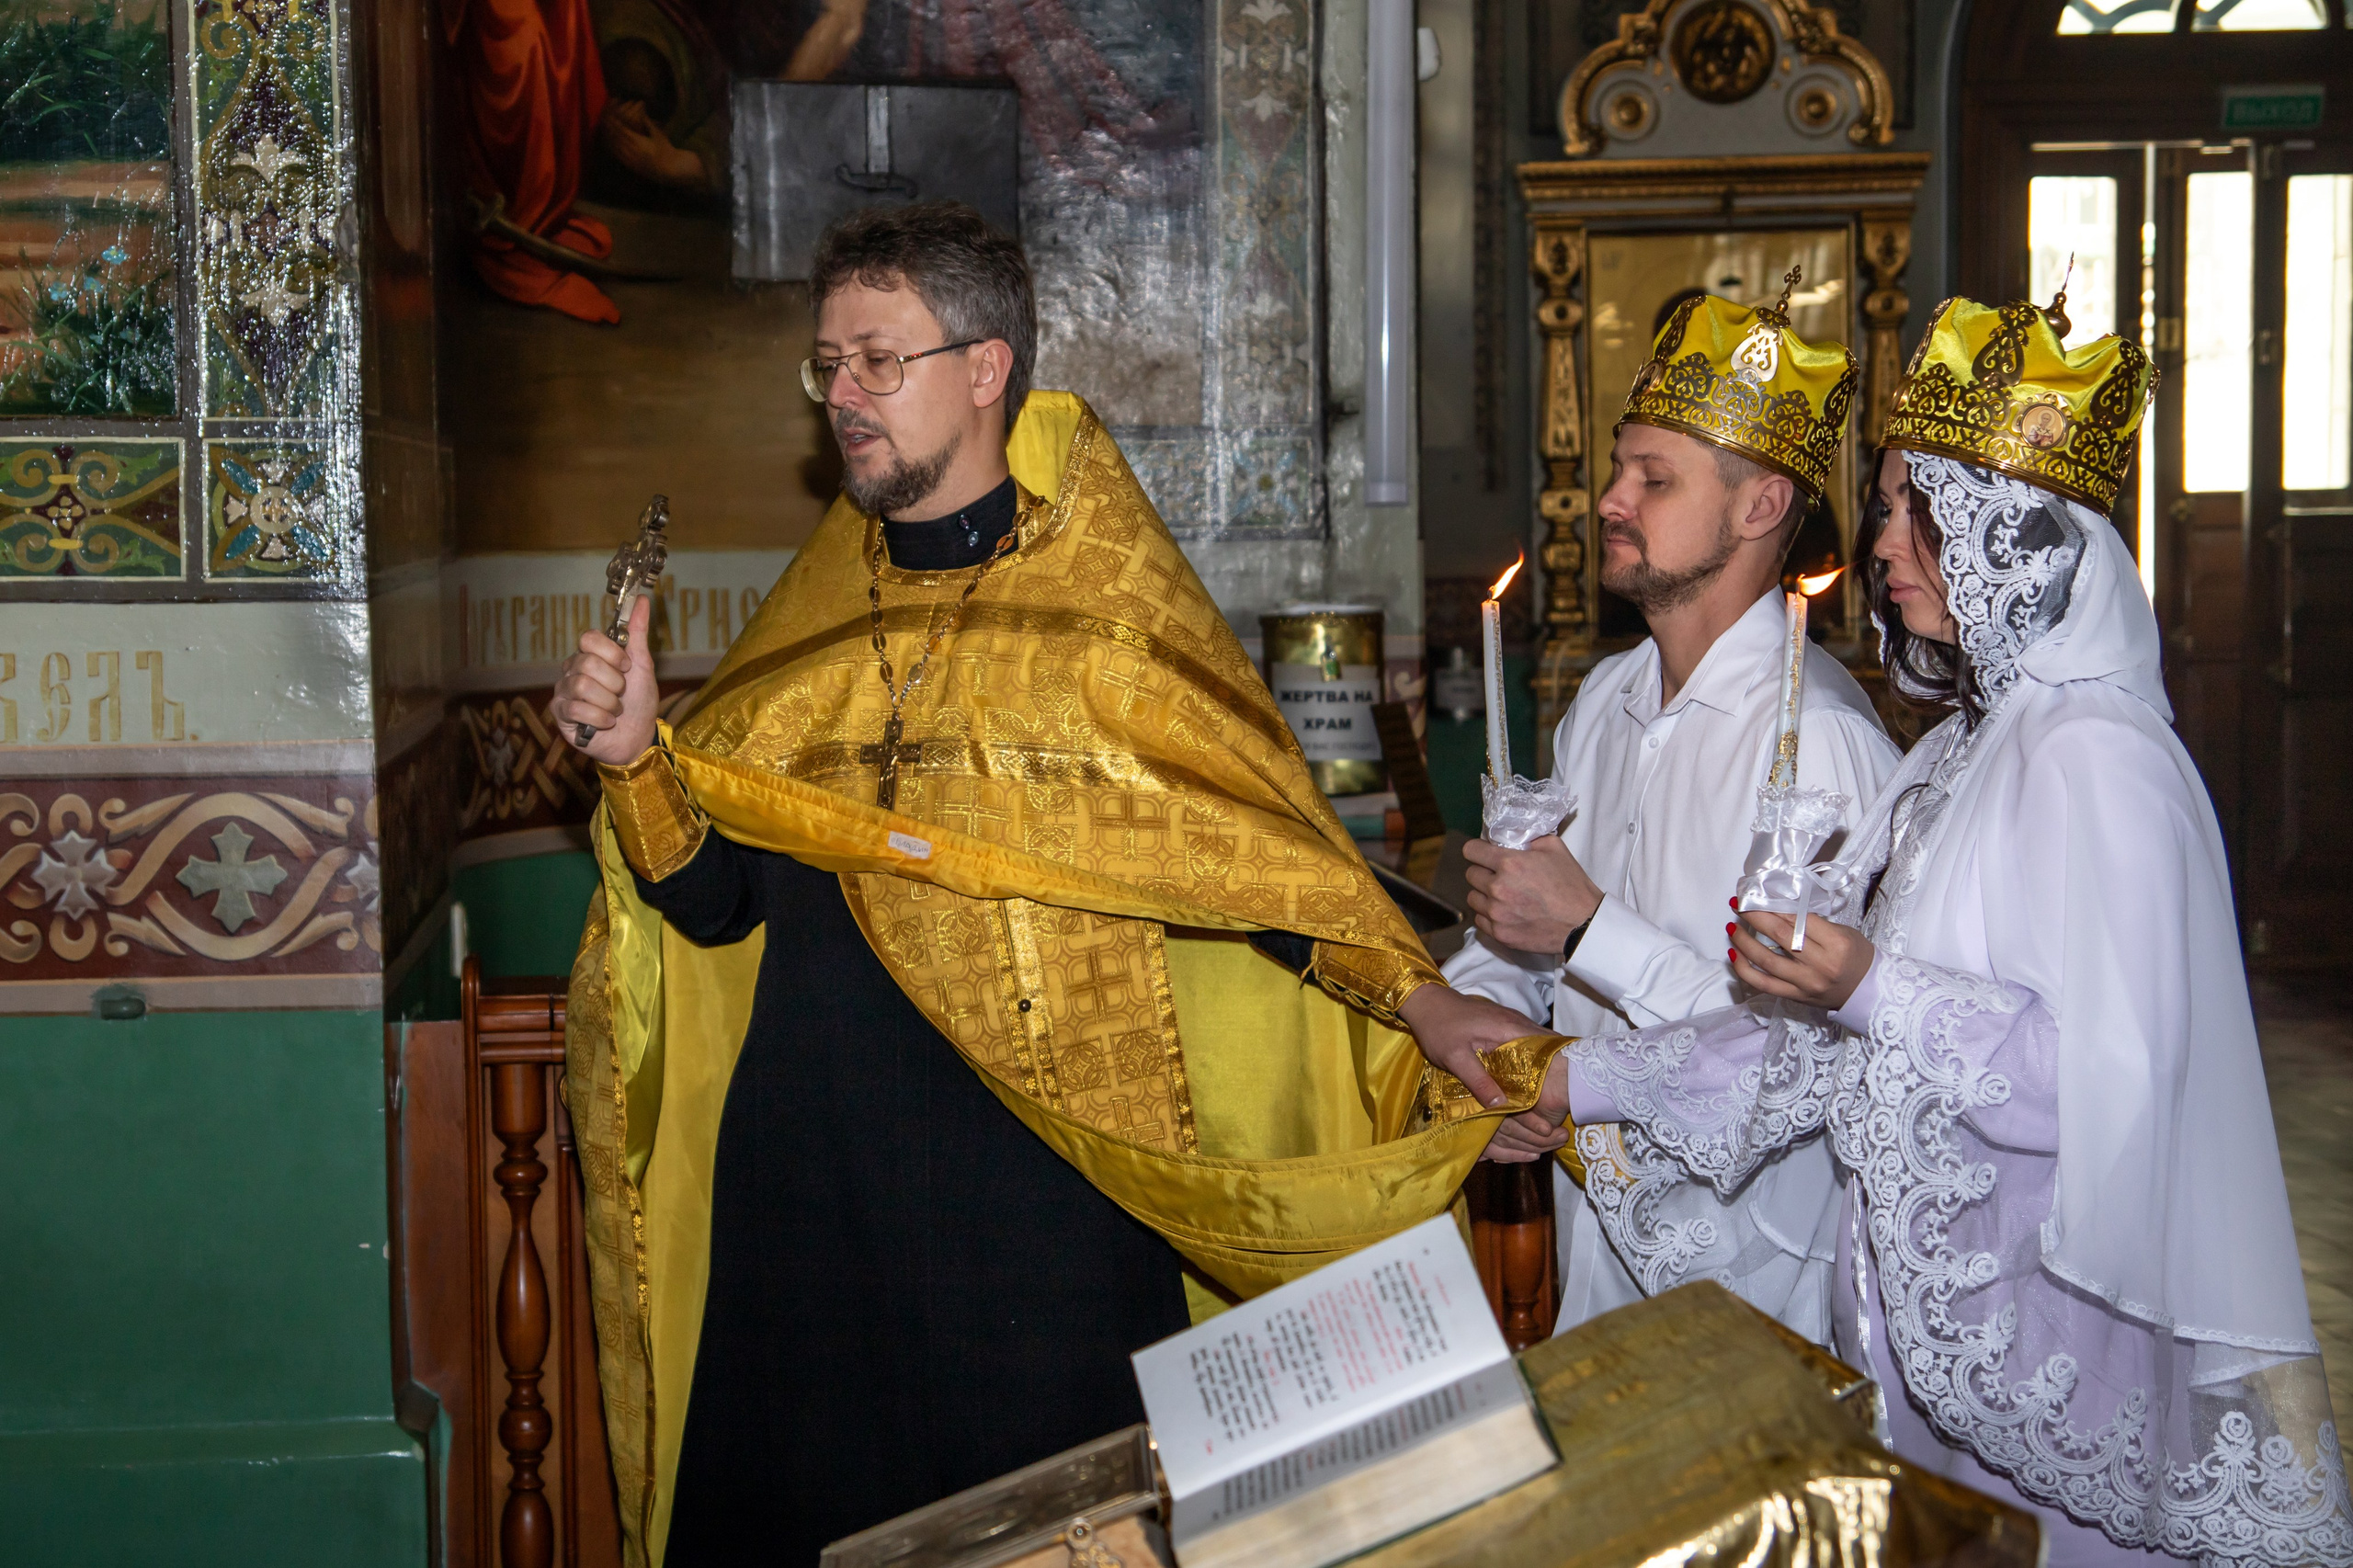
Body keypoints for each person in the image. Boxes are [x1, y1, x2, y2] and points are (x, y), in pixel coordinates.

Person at [548, 200, 1547, 1565]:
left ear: (986, 367)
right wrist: (634, 762)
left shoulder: (1106, 618)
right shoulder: (813, 618)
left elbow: (1255, 862)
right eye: (826, 364)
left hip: (1040, 1196)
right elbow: (722, 908)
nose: (842, 395)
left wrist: (1429, 1011)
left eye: (877, 360)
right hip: (812, 1199)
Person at [1526, 297, 2351, 1563]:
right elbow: (1813, 1046)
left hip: (2045, 1341)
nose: (1886, 541)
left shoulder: (2098, 757)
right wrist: (1571, 1076)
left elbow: (2103, 1079)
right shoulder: (1959, 756)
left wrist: (1864, 982)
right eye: (1888, 504)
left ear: (2017, 541)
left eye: (1924, 509)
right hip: (1923, 1343)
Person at [1440, 280, 1901, 1341]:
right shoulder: (1605, 702)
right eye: (1616, 470)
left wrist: (1587, 925)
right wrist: (1483, 1038)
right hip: (1589, 1226)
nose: (1608, 499)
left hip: (1751, 1279)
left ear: (1759, 506)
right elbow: (1523, 942)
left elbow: (1803, 1057)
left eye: (1653, 478)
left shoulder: (1821, 746)